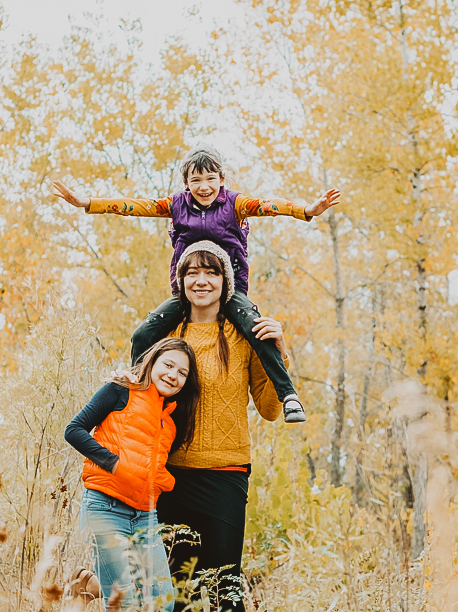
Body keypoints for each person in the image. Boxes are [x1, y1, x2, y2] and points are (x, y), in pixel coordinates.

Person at [50, 145, 339, 423]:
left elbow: (268, 206)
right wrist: (88, 203)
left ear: (221, 179)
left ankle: (288, 395)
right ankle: (137, 392)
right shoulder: (176, 205)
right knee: (142, 334)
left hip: (231, 290)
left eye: (210, 179)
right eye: (196, 180)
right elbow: (134, 206)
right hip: (186, 292)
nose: (204, 187)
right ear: (186, 183)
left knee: (258, 330)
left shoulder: (235, 204)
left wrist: (306, 210)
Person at [157, 241, 285, 612]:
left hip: (227, 475)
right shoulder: (167, 334)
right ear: (181, 280)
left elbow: (269, 408)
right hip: (172, 477)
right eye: (192, 272)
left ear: (225, 281)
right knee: (184, 590)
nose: (201, 280)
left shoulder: (243, 335)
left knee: (226, 587)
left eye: (211, 272)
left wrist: (278, 349)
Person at [63, 337, 201, 612]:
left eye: (182, 373)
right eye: (168, 365)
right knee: (121, 607)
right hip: (106, 507)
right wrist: (113, 463)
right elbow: (74, 430)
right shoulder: (120, 390)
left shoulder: (170, 421)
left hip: (144, 515)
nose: (173, 375)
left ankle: (90, 584)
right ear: (152, 361)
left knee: (162, 604)